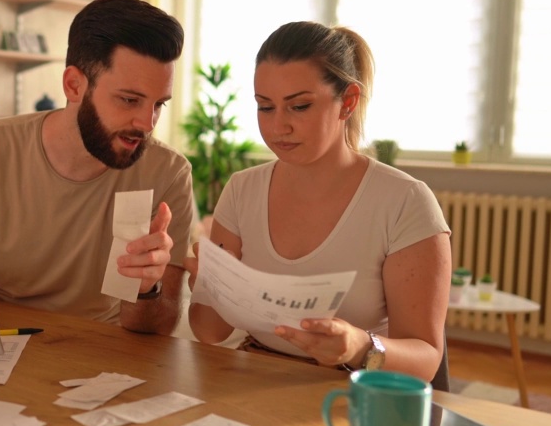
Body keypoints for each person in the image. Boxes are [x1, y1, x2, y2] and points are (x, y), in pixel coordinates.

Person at [0, 0, 196, 346]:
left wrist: (147, 289)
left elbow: (159, 326)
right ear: (74, 85)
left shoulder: (168, 173)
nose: (147, 123)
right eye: (129, 100)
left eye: (159, 104)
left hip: (102, 347)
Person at [189, 21, 450, 382]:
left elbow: (426, 360)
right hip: (252, 379)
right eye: (265, 107)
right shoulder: (241, 190)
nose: (278, 126)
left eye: (299, 106)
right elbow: (209, 331)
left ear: (349, 102)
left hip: (353, 388)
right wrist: (211, 286)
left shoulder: (404, 201)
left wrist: (359, 346)